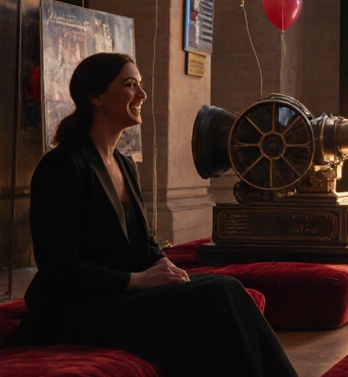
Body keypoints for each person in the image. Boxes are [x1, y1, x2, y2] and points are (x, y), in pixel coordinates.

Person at [17, 53, 297, 377]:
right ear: (96, 96)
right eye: (130, 85)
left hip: (119, 298)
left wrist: (167, 269)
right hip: (75, 307)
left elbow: (143, 243)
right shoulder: (62, 165)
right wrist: (137, 281)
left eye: (140, 85)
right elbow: (58, 265)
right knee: (220, 294)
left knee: (227, 287)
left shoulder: (124, 164)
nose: (142, 94)